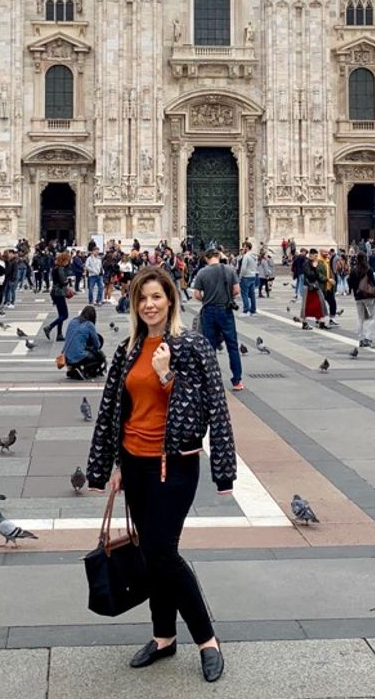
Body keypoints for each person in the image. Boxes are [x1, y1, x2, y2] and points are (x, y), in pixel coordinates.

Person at [86, 266, 234, 683]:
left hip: (174, 465)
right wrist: (111, 465)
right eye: (142, 298)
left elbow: (211, 409)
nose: (150, 304)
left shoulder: (192, 345)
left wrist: (169, 374)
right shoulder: (129, 348)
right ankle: (164, 636)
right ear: (135, 305)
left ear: (170, 300)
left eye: (156, 297)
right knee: (153, 555)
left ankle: (207, 639)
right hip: (134, 463)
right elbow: (115, 410)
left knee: (162, 551)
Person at [190, 248, 243, 390]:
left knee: (210, 346)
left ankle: (211, 379)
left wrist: (206, 298)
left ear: (207, 258)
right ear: (218, 256)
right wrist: (227, 297)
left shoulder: (202, 272)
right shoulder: (229, 270)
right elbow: (237, 290)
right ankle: (237, 381)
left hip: (209, 311)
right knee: (232, 345)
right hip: (225, 310)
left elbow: (196, 294)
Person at [61, 304, 105, 379]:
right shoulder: (89, 325)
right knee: (99, 357)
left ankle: (72, 368)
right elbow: (97, 345)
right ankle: (84, 370)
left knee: (78, 350)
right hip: (77, 356)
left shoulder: (73, 321)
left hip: (65, 355)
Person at [350, 251, 375, 348]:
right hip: (367, 296)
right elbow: (374, 283)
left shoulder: (353, 270)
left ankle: (361, 339)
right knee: (374, 317)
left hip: (357, 297)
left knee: (360, 318)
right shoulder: (368, 269)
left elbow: (350, 283)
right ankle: (368, 337)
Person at [296, 248, 328, 330]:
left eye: (317, 256)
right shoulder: (306, 263)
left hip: (315, 286)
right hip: (308, 287)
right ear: (311, 255)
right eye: (315, 256)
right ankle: (304, 323)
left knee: (320, 303)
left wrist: (315, 268)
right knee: (306, 305)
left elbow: (316, 275)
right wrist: (314, 268)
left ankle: (321, 321)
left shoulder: (314, 263)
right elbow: (310, 275)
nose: (317, 257)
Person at [44, 250, 71, 341]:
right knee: (65, 315)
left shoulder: (56, 267)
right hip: (59, 293)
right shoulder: (60, 269)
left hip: (55, 293)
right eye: (67, 260)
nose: (68, 262)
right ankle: (49, 327)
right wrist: (68, 281)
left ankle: (59, 334)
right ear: (63, 260)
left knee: (61, 314)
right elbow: (62, 282)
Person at [237, 240, 258, 316]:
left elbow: (243, 268)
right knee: (252, 294)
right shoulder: (254, 256)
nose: (243, 248)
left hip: (246, 277)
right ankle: (253, 310)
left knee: (244, 294)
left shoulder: (246, 256)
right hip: (253, 276)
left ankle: (246, 310)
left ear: (247, 247)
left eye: (244, 247)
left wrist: (240, 276)